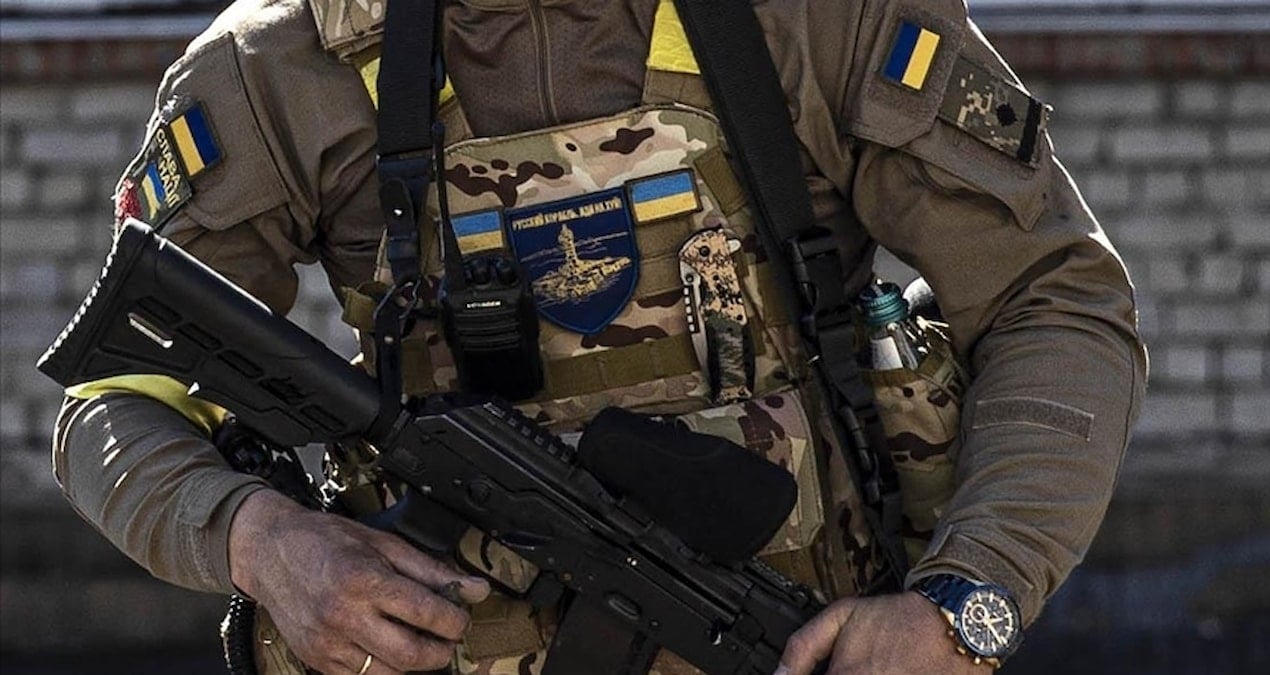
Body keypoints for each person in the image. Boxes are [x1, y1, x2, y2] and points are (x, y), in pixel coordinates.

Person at [51, 0, 1147, 674]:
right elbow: (116, 402)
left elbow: (1054, 299)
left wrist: (964, 604)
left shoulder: (814, 17)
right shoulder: (274, 68)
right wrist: (259, 540)